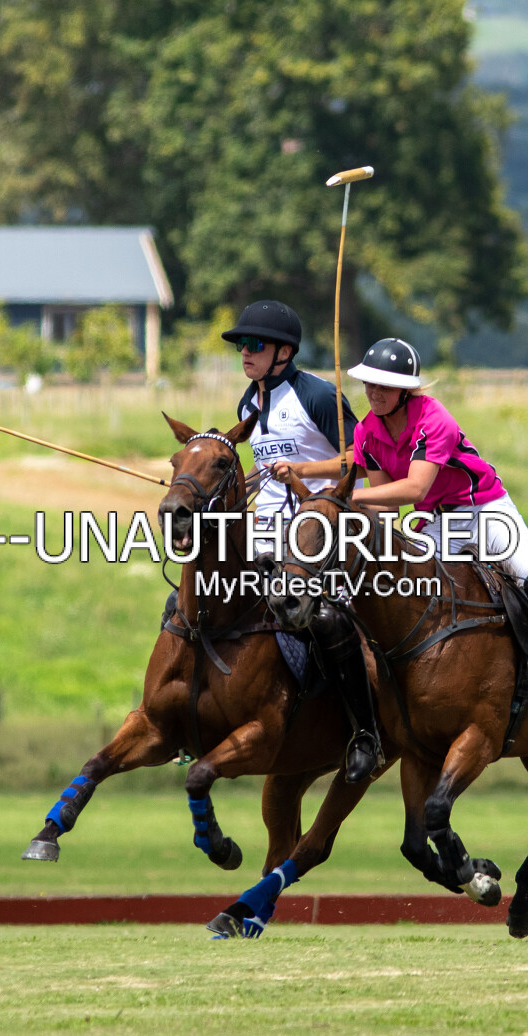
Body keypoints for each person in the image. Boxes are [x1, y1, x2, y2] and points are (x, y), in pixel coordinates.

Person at [273, 338, 528, 725]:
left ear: (405, 390)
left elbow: (415, 488)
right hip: (435, 522)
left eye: (384, 386)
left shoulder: (434, 419)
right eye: (369, 384)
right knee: (397, 589)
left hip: (485, 510)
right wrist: (331, 504)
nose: (374, 392)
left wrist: (343, 498)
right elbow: (387, 504)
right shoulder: (367, 431)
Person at [164, 299, 382, 782]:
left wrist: (302, 469)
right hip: (267, 534)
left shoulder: (318, 396)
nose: (245, 352)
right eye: (241, 344)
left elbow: (363, 460)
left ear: (284, 352)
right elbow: (260, 474)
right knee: (195, 600)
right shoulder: (248, 405)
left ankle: (366, 735)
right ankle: (189, 718)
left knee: (326, 619)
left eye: (255, 344)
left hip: (323, 532)